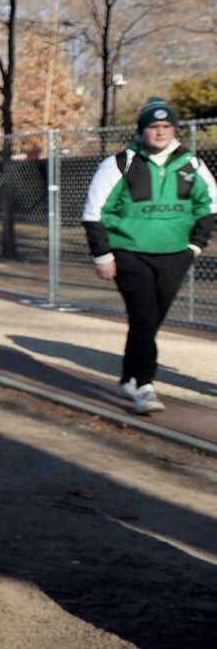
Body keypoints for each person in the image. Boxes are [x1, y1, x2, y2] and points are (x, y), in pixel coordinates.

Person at [83, 96, 214, 415]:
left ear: (174, 129)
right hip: (130, 254)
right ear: (141, 130)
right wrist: (103, 255)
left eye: (166, 126)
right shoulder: (119, 163)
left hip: (175, 256)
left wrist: (194, 247)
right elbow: (94, 212)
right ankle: (145, 386)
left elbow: (209, 205)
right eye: (153, 126)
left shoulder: (191, 163)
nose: (160, 132)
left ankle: (127, 378)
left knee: (149, 321)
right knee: (144, 316)